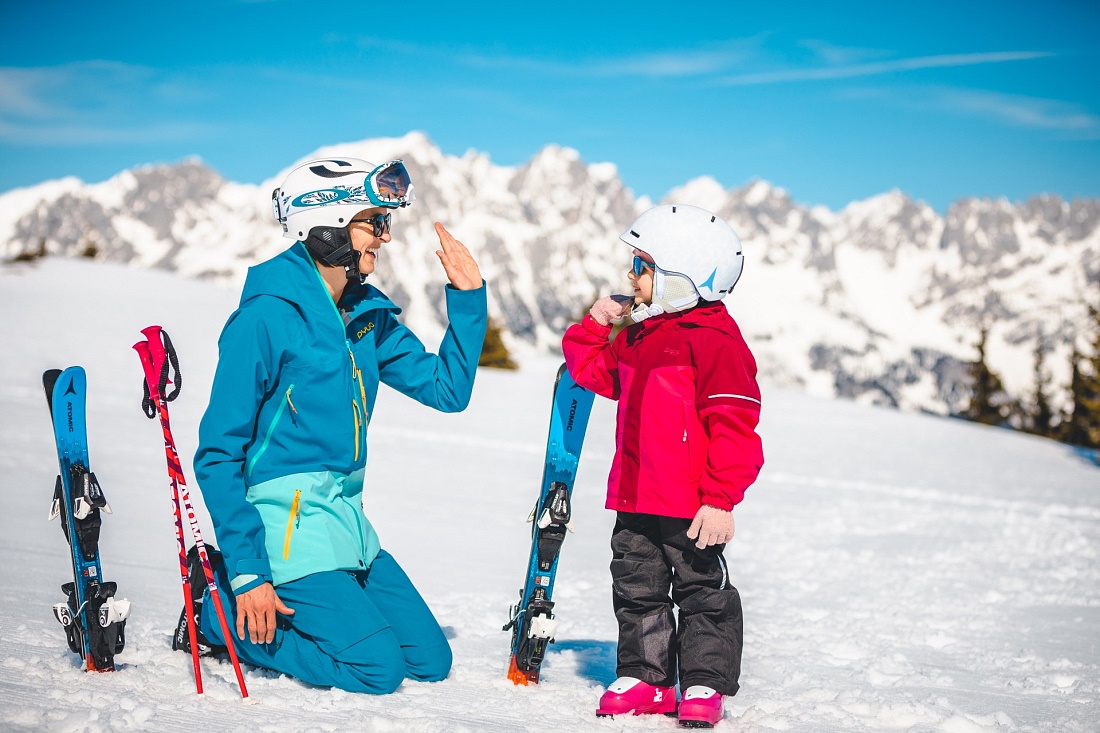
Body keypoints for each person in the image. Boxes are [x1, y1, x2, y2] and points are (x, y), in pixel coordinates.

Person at [188, 157, 488, 694]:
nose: (385, 237)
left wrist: (467, 299)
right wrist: (249, 571)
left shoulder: (363, 316)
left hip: (345, 521)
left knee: (430, 660)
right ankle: (211, 614)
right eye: (374, 221)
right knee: (376, 669)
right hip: (286, 528)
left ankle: (289, 600)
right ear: (326, 222)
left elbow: (447, 390)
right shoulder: (266, 318)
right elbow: (217, 454)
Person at [561, 204, 763, 727]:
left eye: (643, 266)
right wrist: (595, 324)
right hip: (634, 496)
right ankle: (648, 679)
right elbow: (590, 373)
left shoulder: (717, 343)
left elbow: (736, 430)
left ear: (681, 276)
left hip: (691, 505)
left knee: (701, 594)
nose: (631, 276)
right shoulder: (638, 335)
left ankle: (702, 684)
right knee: (635, 587)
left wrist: (721, 499)